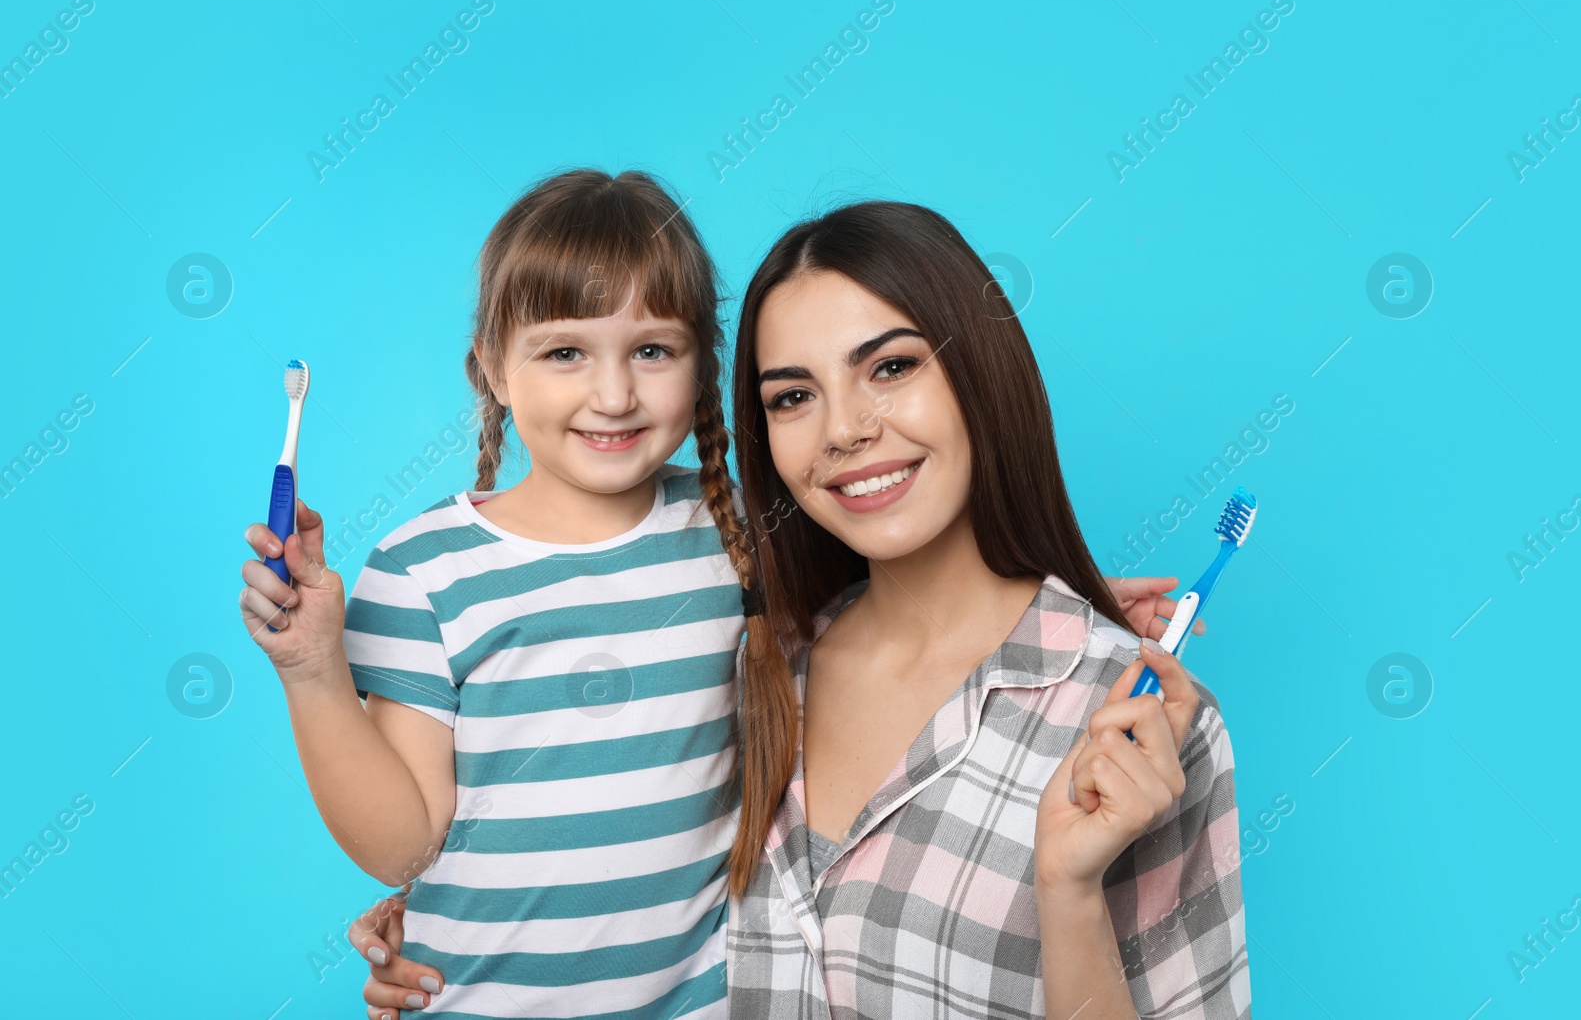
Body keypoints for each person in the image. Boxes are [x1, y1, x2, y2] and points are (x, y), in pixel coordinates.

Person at [347, 199, 1245, 1019]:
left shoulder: (1131, 726)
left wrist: (1070, 894)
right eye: (792, 396)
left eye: (890, 366)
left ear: (982, 372)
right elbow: (595, 826)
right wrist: (456, 920)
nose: (844, 428)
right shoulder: (752, 658)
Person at [238, 168, 760, 1020]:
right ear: (494, 369)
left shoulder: (736, 536)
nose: (614, 394)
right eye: (564, 353)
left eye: (653, 349)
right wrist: (310, 668)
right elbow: (404, 842)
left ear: (703, 361)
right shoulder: (423, 571)